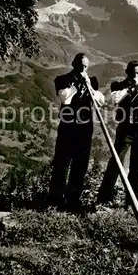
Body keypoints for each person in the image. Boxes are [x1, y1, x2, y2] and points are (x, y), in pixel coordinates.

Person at [97, 60, 138, 206]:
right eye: (133, 73)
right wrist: (129, 89)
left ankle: (132, 201)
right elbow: (114, 99)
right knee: (116, 162)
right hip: (125, 127)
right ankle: (104, 198)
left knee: (137, 165)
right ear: (127, 73)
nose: (136, 76)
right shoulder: (118, 86)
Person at [48, 53, 105, 212]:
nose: (83, 69)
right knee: (62, 163)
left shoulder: (92, 81)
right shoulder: (62, 79)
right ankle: (55, 201)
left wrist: (90, 87)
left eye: (85, 67)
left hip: (85, 128)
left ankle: (73, 201)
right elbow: (65, 99)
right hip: (68, 126)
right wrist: (76, 84)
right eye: (81, 66)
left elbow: (101, 101)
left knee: (80, 164)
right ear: (74, 64)